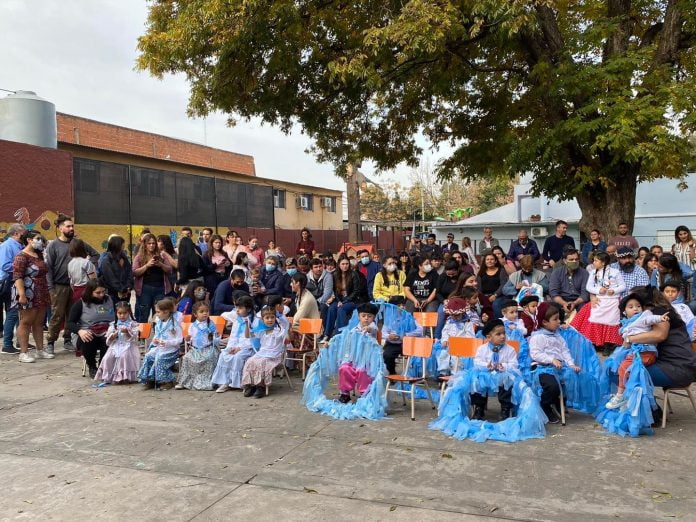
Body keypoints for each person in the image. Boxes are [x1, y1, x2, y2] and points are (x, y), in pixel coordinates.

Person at [627, 286, 696, 396]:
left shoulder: (659, 312)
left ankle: (651, 410)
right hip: (679, 366)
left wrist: (629, 339)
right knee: (623, 366)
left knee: (623, 372)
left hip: (678, 369)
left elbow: (659, 335)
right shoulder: (659, 309)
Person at [45, 215, 99, 354]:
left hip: (77, 287)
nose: (71, 228)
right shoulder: (53, 245)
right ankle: (50, 341)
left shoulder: (78, 243)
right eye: (68, 226)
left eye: (72, 226)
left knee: (73, 314)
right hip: (59, 286)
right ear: (60, 228)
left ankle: (68, 339)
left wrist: (88, 266)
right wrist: (50, 288)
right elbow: (48, 268)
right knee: (57, 314)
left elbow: (95, 254)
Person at [605, 293, 667, 409]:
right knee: (614, 364)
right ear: (624, 312)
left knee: (625, 367)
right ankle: (627, 397)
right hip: (634, 351)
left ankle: (620, 395)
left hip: (645, 351)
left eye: (638, 306)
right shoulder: (627, 323)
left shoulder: (643, 316)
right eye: (631, 307)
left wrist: (660, 318)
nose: (635, 309)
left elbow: (649, 319)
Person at [529, 303, 581, 423]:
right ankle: (545, 405)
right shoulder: (538, 337)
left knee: (571, 379)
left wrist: (571, 364)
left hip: (559, 367)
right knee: (552, 387)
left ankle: (559, 402)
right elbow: (535, 354)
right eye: (555, 319)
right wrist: (551, 359)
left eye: (559, 318)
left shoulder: (558, 336)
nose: (559, 322)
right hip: (543, 368)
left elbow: (565, 351)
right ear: (544, 322)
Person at [570, 251, 625, 354]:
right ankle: (596, 342)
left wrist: (614, 290)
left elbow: (623, 286)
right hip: (599, 300)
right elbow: (589, 287)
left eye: (596, 260)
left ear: (603, 262)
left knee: (611, 322)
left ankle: (608, 344)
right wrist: (598, 291)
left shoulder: (615, 272)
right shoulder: (593, 272)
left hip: (612, 301)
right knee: (595, 320)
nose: (593, 262)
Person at [12, 230, 53, 363]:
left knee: (39, 322)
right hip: (28, 292)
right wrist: (22, 294)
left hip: (41, 290)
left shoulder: (39, 254)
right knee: (26, 322)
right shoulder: (21, 256)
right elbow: (17, 276)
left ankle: (40, 350)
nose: (40, 241)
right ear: (29, 240)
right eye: (37, 238)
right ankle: (23, 352)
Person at [471, 319, 519, 421]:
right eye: (498, 334)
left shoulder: (509, 349)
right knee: (477, 380)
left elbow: (514, 364)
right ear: (488, 337)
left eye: (504, 333)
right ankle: (479, 407)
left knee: (507, 380)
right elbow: (477, 361)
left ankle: (505, 408)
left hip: (502, 374)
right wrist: (486, 365)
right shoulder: (482, 349)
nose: (503, 336)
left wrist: (504, 366)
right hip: (487, 374)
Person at [66, 280, 115, 378]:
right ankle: (92, 366)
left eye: (103, 291)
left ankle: (103, 365)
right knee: (88, 338)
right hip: (87, 332)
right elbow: (70, 323)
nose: (101, 295)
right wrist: (80, 331)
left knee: (110, 338)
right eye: (98, 293)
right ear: (90, 292)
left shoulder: (109, 299)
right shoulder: (80, 303)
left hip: (106, 331)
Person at [242, 305, 289, 398]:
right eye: (267, 318)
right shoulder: (261, 330)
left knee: (262, 362)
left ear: (276, 318)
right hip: (262, 353)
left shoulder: (279, 330)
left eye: (272, 317)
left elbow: (287, 339)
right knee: (249, 361)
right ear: (262, 319)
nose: (270, 320)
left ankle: (261, 386)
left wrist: (286, 329)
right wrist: (247, 325)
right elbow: (248, 336)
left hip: (274, 355)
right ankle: (250, 385)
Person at [213, 295, 257, 392]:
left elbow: (253, 340)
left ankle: (239, 383)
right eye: (237, 308)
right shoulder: (237, 321)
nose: (237, 310)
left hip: (249, 348)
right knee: (224, 354)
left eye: (240, 308)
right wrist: (231, 347)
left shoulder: (254, 321)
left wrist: (240, 348)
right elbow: (233, 336)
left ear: (248, 309)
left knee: (238, 357)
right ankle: (225, 382)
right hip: (236, 346)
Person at [337, 302, 379, 403]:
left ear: (373, 318)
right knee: (344, 368)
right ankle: (345, 393)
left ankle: (364, 393)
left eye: (369, 316)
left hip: (368, 360)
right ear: (359, 316)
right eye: (363, 316)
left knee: (362, 370)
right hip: (354, 358)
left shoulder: (373, 327)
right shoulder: (354, 330)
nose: (366, 318)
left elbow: (374, 330)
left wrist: (368, 329)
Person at [137, 297, 183, 390]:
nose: (156, 314)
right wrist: (155, 340)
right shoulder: (159, 323)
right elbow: (157, 336)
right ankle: (150, 379)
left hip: (172, 349)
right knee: (149, 356)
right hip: (160, 348)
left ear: (166, 312)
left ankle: (167, 381)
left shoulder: (174, 324)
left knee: (160, 358)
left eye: (158, 312)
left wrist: (167, 342)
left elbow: (179, 339)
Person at [176, 301, 219, 390]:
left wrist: (215, 336)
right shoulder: (192, 326)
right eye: (202, 311)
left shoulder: (211, 324)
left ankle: (206, 381)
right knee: (186, 358)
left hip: (208, 349)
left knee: (209, 359)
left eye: (206, 311)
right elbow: (190, 339)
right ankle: (184, 382)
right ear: (195, 314)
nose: (205, 313)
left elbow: (216, 339)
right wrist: (188, 339)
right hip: (195, 350)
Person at [132, 233, 174, 323]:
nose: (151, 245)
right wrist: (147, 265)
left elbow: (169, 269)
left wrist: (161, 264)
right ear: (145, 244)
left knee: (159, 314)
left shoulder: (162, 255)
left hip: (160, 288)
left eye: (153, 243)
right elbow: (135, 272)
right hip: (144, 289)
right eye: (149, 243)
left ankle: (157, 334)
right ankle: (142, 336)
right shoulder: (139, 257)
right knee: (144, 314)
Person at [95, 301, 140, 384]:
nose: (122, 316)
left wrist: (127, 332)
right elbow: (108, 341)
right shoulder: (113, 325)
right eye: (120, 313)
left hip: (128, 346)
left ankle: (125, 377)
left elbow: (135, 338)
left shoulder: (133, 324)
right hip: (115, 345)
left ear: (129, 312)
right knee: (107, 357)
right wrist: (112, 336)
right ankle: (109, 377)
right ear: (116, 313)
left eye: (124, 313)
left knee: (124, 356)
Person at [325, 256, 367, 337]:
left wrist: (344, 302)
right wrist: (339, 301)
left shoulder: (353, 274)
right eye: (343, 264)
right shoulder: (335, 275)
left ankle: (340, 335)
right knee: (332, 308)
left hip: (352, 300)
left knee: (341, 309)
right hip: (340, 300)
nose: (345, 266)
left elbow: (356, 291)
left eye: (347, 264)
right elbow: (335, 291)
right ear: (339, 265)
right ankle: (327, 334)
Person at [0, 223, 25, 354]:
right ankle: (7, 344)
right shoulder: (7, 246)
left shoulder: (19, 246)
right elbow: (5, 266)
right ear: (16, 233)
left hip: (13, 282)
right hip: (7, 283)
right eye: (23, 232)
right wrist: (22, 268)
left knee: (18, 313)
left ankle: (20, 341)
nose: (25, 234)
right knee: (12, 313)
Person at [382, 296, 424, 375]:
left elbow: (420, 330)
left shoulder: (409, 317)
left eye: (403, 305)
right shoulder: (389, 319)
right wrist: (389, 336)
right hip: (393, 344)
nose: (401, 307)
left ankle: (414, 374)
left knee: (415, 356)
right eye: (398, 305)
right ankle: (392, 373)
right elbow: (383, 333)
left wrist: (405, 335)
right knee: (387, 355)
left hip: (407, 343)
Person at [436, 297, 476, 375]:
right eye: (453, 315)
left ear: (463, 313)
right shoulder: (449, 321)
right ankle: (443, 372)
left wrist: (460, 343)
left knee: (456, 358)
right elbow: (445, 332)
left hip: (461, 347)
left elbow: (470, 336)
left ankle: (455, 373)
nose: (454, 317)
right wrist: (445, 340)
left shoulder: (467, 323)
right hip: (449, 345)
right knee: (443, 353)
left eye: (457, 315)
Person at [548, 248, 589, 315]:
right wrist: (564, 303)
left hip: (579, 301)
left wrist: (574, 303)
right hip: (561, 300)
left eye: (576, 259)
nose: (574, 261)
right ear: (565, 261)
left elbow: (585, 294)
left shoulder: (584, 273)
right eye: (571, 260)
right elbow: (553, 292)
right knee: (550, 308)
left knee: (585, 308)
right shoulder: (557, 272)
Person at [100, 235, 133, 305]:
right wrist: (122, 289)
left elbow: (130, 273)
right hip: (112, 295)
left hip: (126, 294)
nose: (124, 248)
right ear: (117, 246)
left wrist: (128, 287)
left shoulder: (124, 258)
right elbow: (111, 279)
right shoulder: (106, 261)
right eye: (122, 246)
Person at [476, 253, 508, 318]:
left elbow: (503, 284)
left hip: (498, 296)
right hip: (484, 296)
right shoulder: (481, 272)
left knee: (496, 304)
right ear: (484, 261)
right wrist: (482, 297)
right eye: (487, 259)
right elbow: (478, 287)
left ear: (496, 261)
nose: (489, 261)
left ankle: (497, 324)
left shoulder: (501, 271)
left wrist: (495, 295)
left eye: (492, 259)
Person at [67, 239, 97, 303]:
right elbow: (93, 280)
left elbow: (71, 282)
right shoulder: (86, 263)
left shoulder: (70, 263)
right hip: (87, 292)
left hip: (76, 292)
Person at [306, 257, 334, 324]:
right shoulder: (307, 277)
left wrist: (317, 302)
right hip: (312, 300)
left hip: (325, 301)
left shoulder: (328, 276)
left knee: (323, 307)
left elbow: (327, 293)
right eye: (316, 267)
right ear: (311, 269)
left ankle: (322, 329)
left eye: (320, 266)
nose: (319, 269)